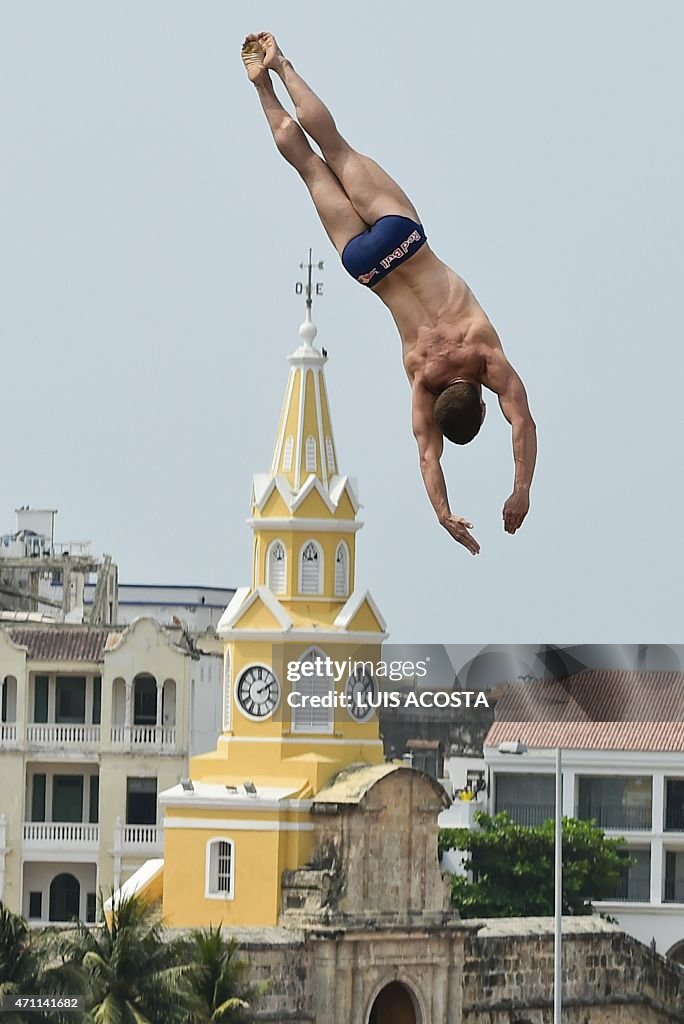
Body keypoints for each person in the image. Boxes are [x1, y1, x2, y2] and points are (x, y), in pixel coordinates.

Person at [241, 32, 537, 555]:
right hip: (367, 266)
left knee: (333, 147)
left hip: (404, 239)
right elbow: (428, 457)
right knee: (309, 169)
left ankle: (281, 65)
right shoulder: (423, 380)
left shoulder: (485, 354)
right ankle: (263, 88)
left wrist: (523, 488)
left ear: (481, 403)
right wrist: (444, 514)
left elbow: (524, 421)